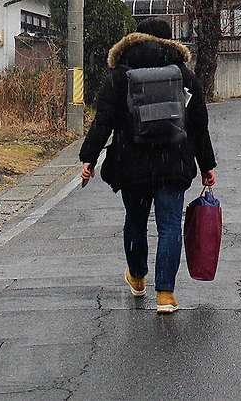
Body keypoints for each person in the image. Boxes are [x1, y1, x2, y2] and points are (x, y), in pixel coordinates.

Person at [80, 17, 216, 314]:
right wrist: (207, 165)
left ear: (137, 38)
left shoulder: (120, 74)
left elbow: (103, 121)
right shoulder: (184, 75)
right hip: (174, 163)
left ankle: (138, 277)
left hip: (132, 163)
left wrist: (88, 157)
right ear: (170, 42)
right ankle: (165, 294)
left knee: (135, 220)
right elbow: (199, 125)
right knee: (169, 226)